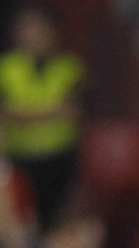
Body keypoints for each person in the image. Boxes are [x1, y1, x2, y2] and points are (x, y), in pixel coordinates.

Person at [0, 8, 82, 229]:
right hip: (19, 159)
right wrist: (52, 112)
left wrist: (24, 114)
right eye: (27, 30)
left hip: (61, 159)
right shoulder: (6, 68)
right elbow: (6, 113)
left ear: (52, 33)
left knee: (57, 221)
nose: (33, 36)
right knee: (22, 218)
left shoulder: (69, 67)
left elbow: (73, 111)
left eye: (38, 29)